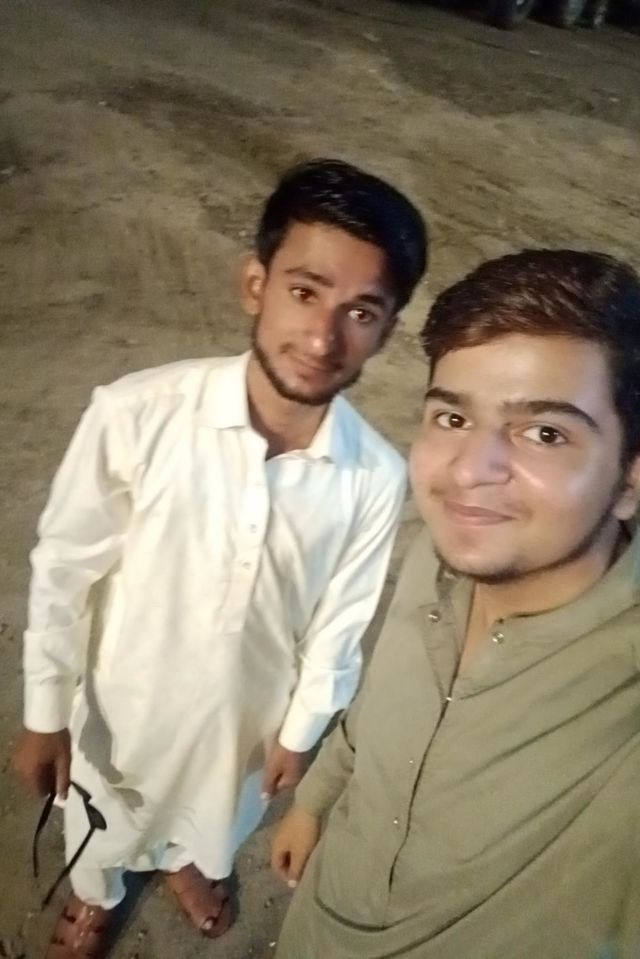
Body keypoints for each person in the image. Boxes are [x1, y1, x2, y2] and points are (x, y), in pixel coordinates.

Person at [13, 158, 428, 959]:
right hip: (125, 702)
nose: (323, 336)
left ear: (386, 329)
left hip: (246, 721)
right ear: (255, 285)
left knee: (220, 813)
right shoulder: (137, 414)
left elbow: (341, 621)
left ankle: (189, 861)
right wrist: (45, 709)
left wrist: (302, 728)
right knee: (103, 817)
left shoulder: (375, 475)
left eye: (360, 311)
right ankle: (97, 893)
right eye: (304, 291)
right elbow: (65, 565)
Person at [272, 249, 640, 959]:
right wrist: (315, 801)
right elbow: (378, 707)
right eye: (451, 417)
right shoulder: (439, 560)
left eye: (546, 432)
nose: (469, 472)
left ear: (629, 481)